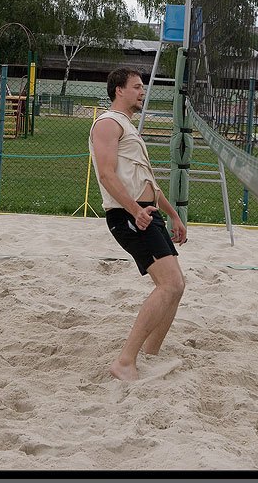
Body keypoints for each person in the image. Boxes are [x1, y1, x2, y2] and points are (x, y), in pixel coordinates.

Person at [89, 67, 187, 381]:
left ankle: (150, 353)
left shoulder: (127, 126)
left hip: (146, 213)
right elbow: (106, 175)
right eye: (136, 86)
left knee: (177, 286)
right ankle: (125, 361)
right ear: (118, 90)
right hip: (129, 215)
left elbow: (148, 182)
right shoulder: (107, 123)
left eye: (142, 87)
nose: (142, 92)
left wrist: (172, 215)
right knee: (170, 284)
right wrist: (135, 211)